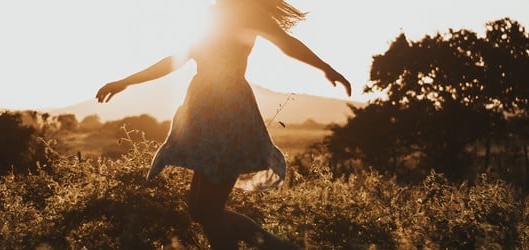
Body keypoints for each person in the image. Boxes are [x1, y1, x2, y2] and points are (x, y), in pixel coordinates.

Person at [96, 0, 350, 248]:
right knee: (199, 208)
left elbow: (287, 44)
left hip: (228, 115)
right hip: (204, 115)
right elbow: (175, 59)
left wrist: (325, 67)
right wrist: (125, 81)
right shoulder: (212, 15)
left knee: (208, 209)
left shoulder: (249, 12)